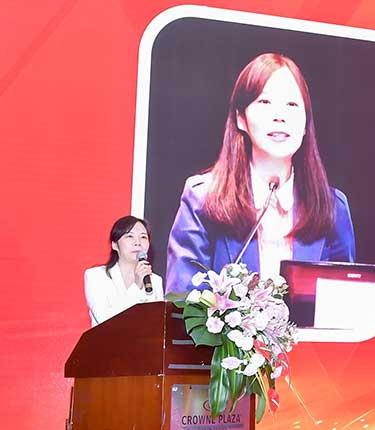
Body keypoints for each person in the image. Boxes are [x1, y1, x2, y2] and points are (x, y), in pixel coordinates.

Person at [166, 53, 355, 294]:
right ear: (240, 118)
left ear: (306, 124)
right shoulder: (202, 199)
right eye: (265, 102)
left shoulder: (333, 207)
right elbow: (182, 301)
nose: (280, 116)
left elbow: (344, 305)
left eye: (292, 105)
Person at [84, 215, 164, 326]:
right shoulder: (96, 276)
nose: (137, 242)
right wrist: (136, 286)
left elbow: (157, 324)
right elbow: (104, 320)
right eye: (130, 236)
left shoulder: (155, 281)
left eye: (143, 237)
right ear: (115, 245)